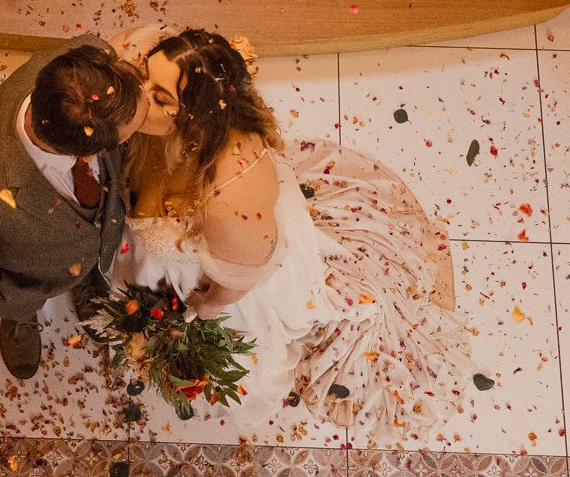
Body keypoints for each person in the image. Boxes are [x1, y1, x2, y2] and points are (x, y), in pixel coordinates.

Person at [123, 28, 471, 439]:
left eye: (160, 98)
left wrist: (203, 309)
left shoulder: (229, 198)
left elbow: (238, 281)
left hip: (235, 277)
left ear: (198, 117)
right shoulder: (154, 106)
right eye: (143, 75)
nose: (138, 95)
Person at [0, 34, 175, 380]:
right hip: (29, 277)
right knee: (21, 303)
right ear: (88, 154)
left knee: (87, 260)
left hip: (82, 244)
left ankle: (86, 280)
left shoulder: (86, 58)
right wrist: (10, 300)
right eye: (125, 138)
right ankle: (22, 317)